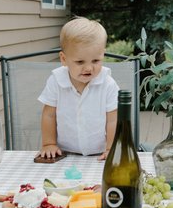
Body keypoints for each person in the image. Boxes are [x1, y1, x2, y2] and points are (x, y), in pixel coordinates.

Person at [37, 17, 119, 161]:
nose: (88, 68)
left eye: (96, 60)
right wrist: (49, 143)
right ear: (63, 59)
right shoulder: (56, 81)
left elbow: (113, 120)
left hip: (99, 154)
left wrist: (110, 149)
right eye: (80, 62)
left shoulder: (108, 84)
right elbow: (49, 115)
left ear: (102, 55)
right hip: (64, 154)